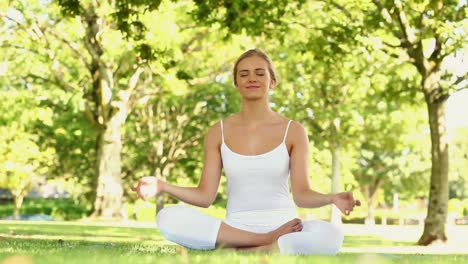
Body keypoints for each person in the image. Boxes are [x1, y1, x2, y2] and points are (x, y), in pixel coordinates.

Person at [133, 48, 360, 255]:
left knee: (332, 237)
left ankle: (243, 250)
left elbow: (301, 194)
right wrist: (162, 185)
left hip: (286, 226)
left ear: (272, 81)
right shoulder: (218, 132)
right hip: (235, 228)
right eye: (244, 74)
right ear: (236, 83)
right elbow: (205, 197)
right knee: (167, 217)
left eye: (260, 73)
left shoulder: (293, 130)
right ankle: (266, 243)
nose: (252, 78)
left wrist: (332, 198)